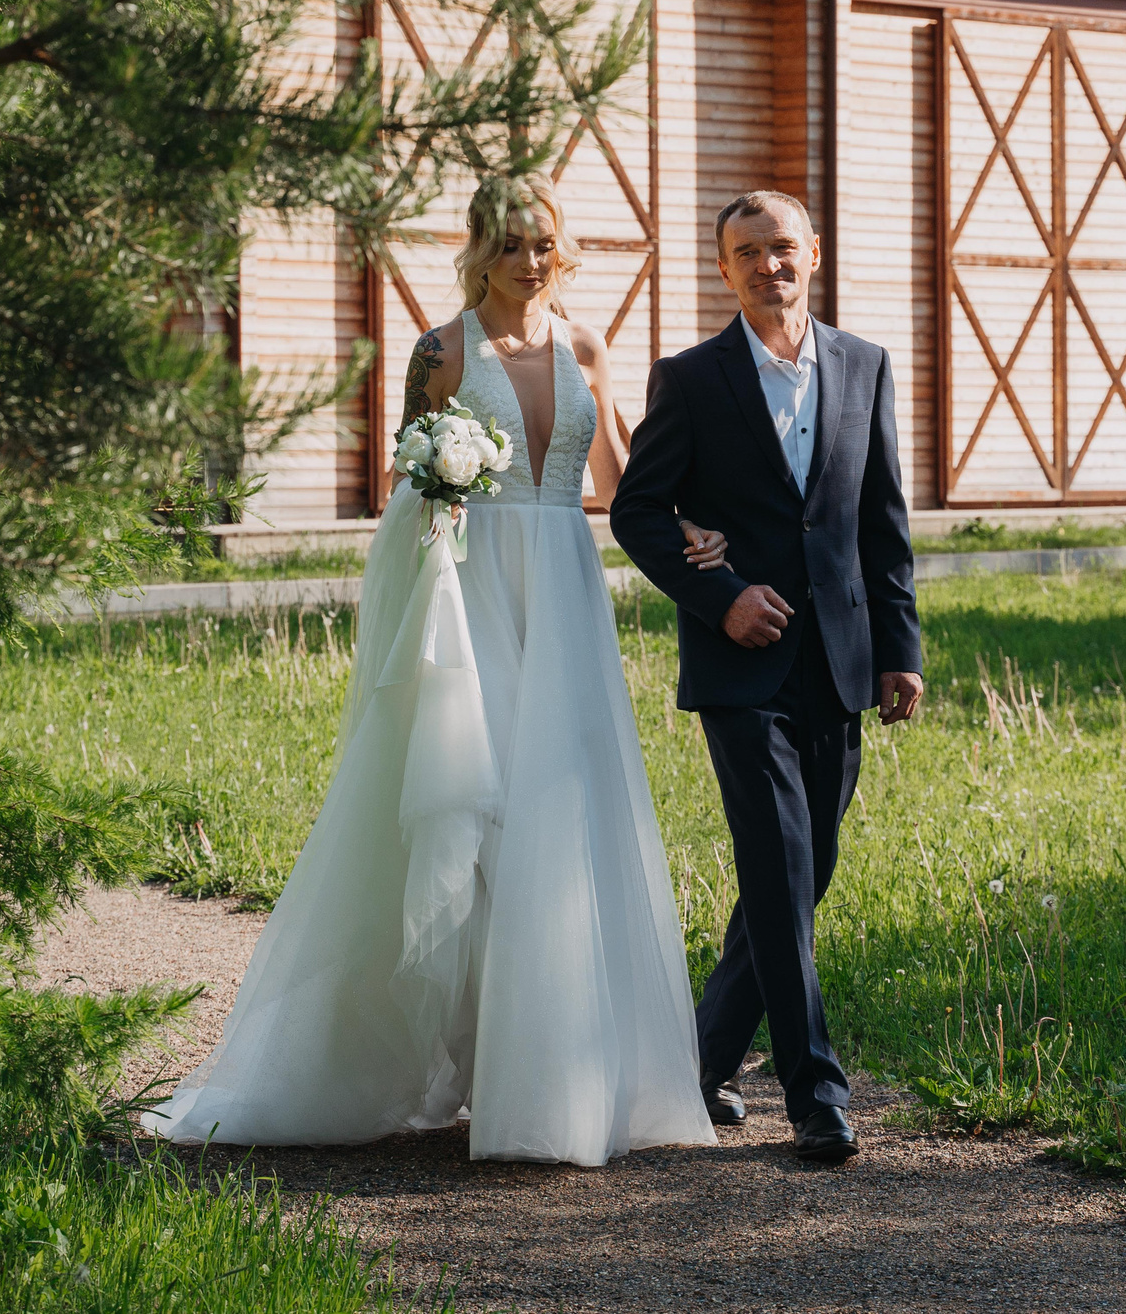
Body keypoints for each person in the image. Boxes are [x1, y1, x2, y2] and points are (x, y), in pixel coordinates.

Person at [145, 173, 717, 1166]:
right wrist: (438, 534)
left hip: (568, 600)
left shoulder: (585, 346)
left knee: (564, 807)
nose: (528, 262)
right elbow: (404, 489)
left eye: (542, 243)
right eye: (508, 244)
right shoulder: (440, 350)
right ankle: (456, 1052)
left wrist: (694, 533)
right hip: (477, 591)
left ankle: (550, 1072)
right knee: (480, 809)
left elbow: (623, 481)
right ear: (478, 248)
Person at [609, 189, 924, 1166]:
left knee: (806, 869)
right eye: (746, 253)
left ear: (813, 253)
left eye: (781, 248)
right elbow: (641, 514)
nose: (767, 266)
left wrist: (899, 649)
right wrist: (723, 595)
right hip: (738, 670)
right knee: (780, 869)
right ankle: (815, 1093)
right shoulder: (691, 379)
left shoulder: (864, 366)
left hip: (837, 663)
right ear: (723, 269)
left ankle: (696, 1062)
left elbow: (881, 519)